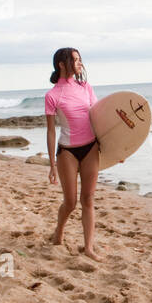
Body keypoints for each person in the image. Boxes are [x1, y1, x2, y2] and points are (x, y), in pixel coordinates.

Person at [44, 48, 102, 261]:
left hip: (91, 148)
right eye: (75, 60)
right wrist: (51, 164)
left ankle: (88, 247)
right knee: (70, 202)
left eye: (79, 60)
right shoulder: (52, 96)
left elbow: (99, 119)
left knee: (88, 198)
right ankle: (59, 230)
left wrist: (117, 148)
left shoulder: (85, 87)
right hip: (67, 151)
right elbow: (51, 131)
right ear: (62, 64)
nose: (79, 63)